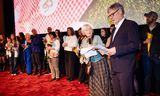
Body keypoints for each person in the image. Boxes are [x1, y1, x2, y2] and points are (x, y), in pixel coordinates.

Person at [106, 3, 140, 96]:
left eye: (112, 14)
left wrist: (116, 49)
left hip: (125, 67)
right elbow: (113, 46)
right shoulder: (114, 29)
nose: (111, 18)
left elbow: (135, 45)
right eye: (109, 16)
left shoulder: (131, 24)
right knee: (117, 93)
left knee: (127, 93)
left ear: (120, 11)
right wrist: (105, 50)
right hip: (114, 66)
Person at [80, 24, 113, 96]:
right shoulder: (84, 41)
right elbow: (82, 52)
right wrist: (84, 53)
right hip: (91, 63)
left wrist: (97, 48)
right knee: (94, 80)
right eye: (86, 30)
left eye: (89, 29)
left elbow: (103, 47)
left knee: (103, 79)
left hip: (100, 61)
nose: (88, 31)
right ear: (83, 32)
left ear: (92, 30)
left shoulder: (97, 37)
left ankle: (105, 94)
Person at [142, 11, 160, 96]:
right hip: (146, 55)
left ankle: (157, 92)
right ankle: (146, 93)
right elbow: (138, 41)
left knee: (158, 76)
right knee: (147, 76)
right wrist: (144, 41)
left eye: (148, 17)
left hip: (157, 56)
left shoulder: (159, 28)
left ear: (154, 18)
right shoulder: (144, 29)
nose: (147, 19)